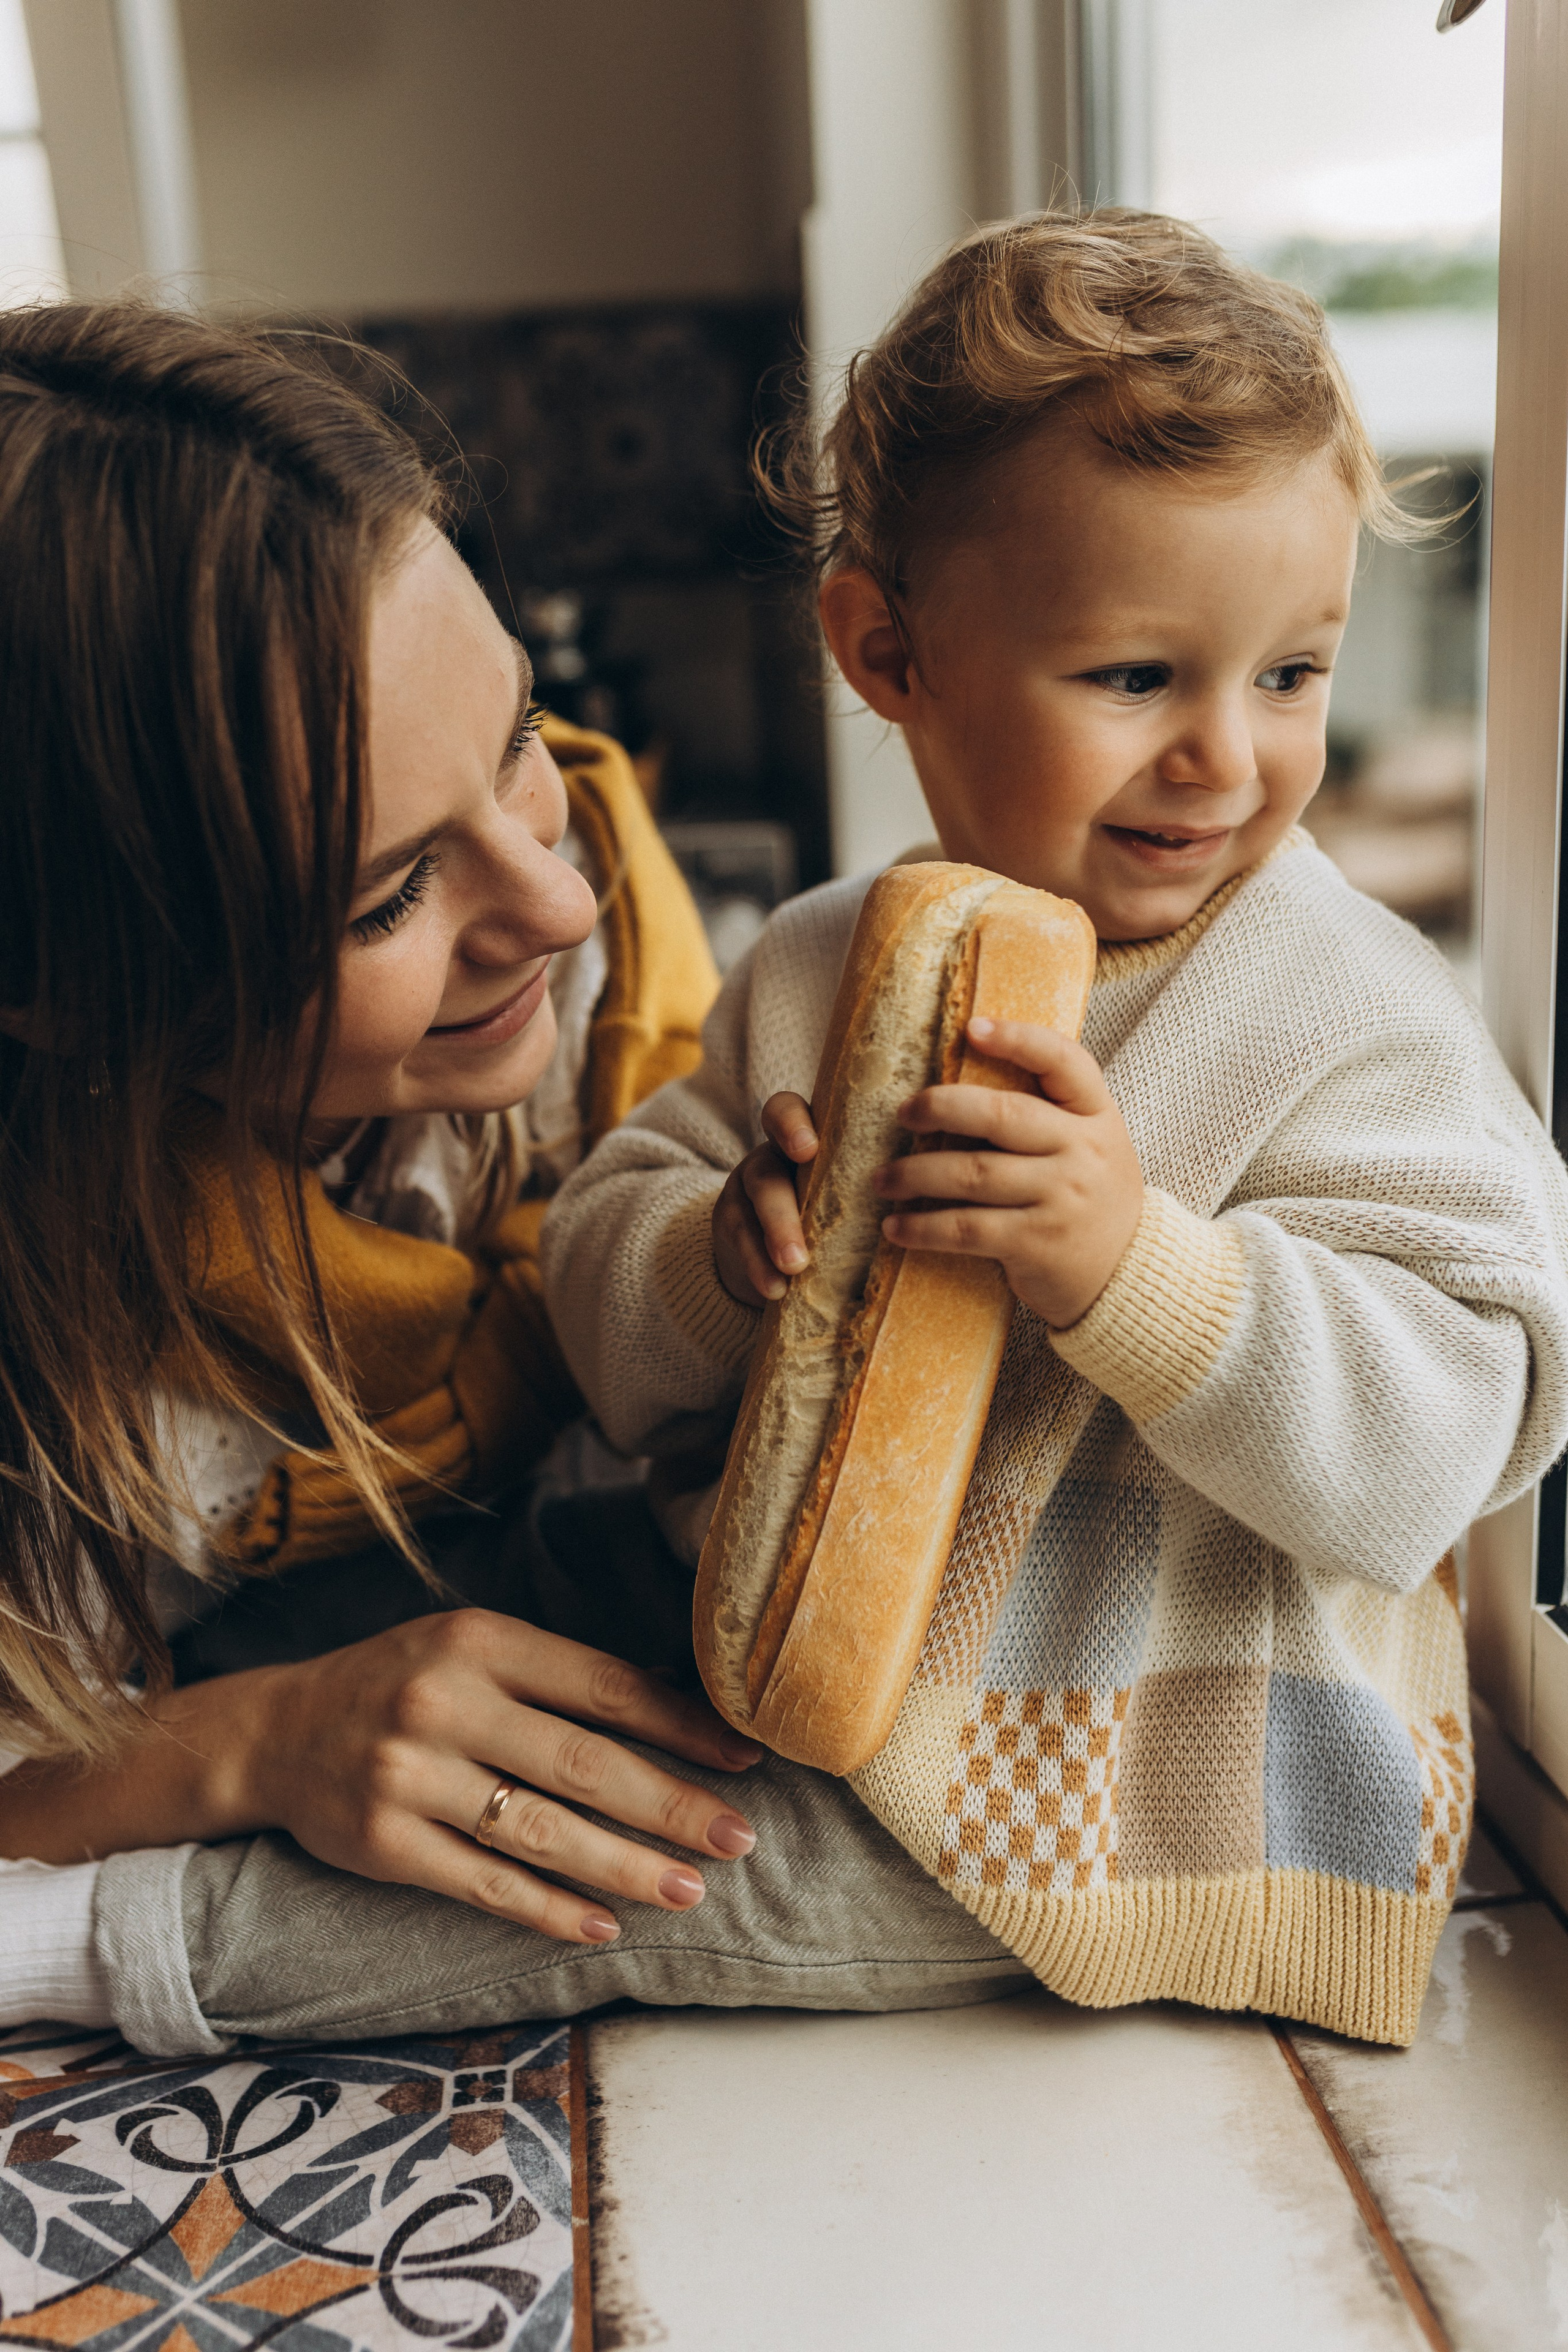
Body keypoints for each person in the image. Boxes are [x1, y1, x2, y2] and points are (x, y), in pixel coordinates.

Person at [537, 210, 1568, 2048]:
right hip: (782, 1664)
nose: (1226, 760)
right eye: (1134, 679)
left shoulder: (1350, 1009)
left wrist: (1137, 1270)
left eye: (1291, 674)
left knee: (584, 1885)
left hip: (1135, 1797)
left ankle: (117, 1938)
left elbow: (1439, 1443)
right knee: (496, 1668)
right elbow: (607, 1323)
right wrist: (711, 1258)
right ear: (887, 654)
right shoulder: (820, 966)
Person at [0, 302, 1031, 2056]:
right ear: (59, 988)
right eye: (384, 894)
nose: (557, 905)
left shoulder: (625, 955)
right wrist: (256, 1736)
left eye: (516, 744)